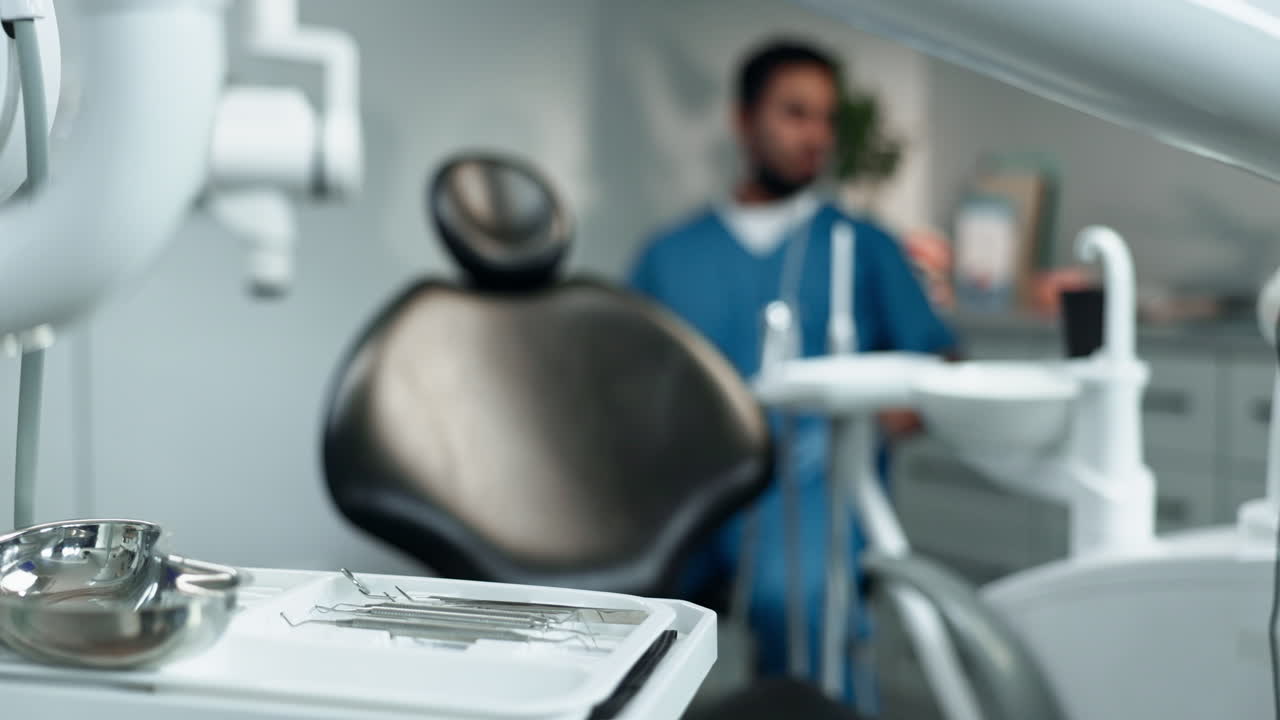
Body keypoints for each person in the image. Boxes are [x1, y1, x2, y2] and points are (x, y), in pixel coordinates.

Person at [628, 39, 957, 706]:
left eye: (827, 119)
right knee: (622, 611)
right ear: (743, 120)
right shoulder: (670, 255)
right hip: (693, 488)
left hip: (809, 486)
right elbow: (628, 382)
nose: (816, 136)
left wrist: (898, 408)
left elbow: (938, 361)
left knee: (798, 603)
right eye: (794, 113)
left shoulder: (860, 245)